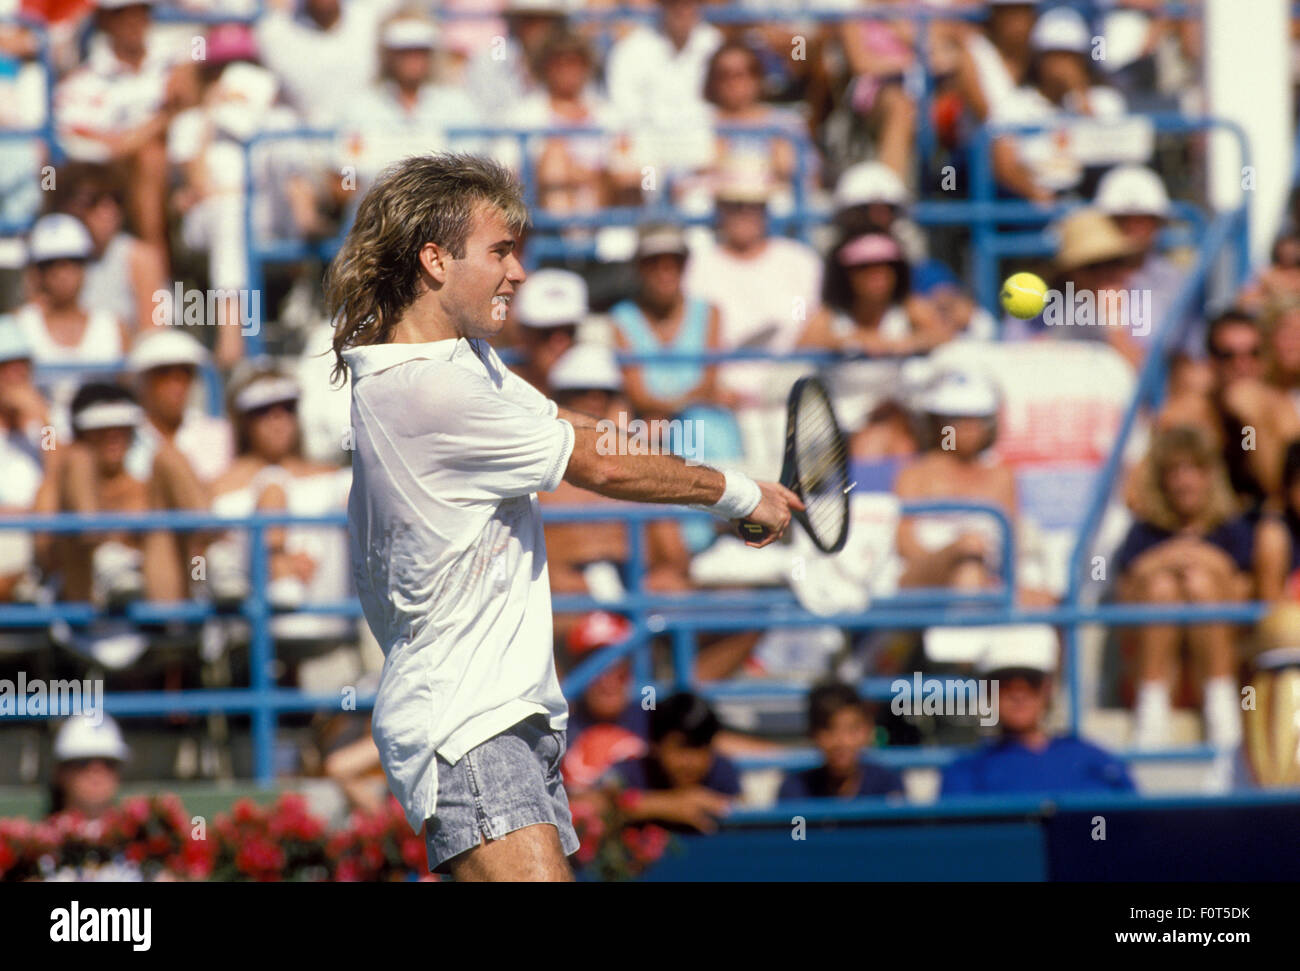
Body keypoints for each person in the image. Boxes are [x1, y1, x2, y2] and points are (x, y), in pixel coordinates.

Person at [324, 153, 799, 881]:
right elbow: (598, 461)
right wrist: (736, 492)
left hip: (501, 720)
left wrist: (731, 481)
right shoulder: (428, 390)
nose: (518, 271)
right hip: (468, 726)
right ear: (435, 261)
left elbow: (574, 425)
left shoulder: (465, 364)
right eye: (500, 251)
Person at [1115, 425, 1264, 750]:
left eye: (1194, 469)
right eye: (1175, 472)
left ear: (1210, 474)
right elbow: (1124, 598)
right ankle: (1152, 709)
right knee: (1161, 589)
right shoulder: (1145, 532)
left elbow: (1242, 596)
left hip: (1220, 654)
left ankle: (1220, 706)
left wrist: (1196, 562)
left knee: (1199, 583)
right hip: (1153, 659)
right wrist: (1171, 559)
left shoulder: (1233, 529)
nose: (1184, 482)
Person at [941, 639, 1136, 796]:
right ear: (988, 691)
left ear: (1047, 688)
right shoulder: (966, 774)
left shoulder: (1094, 762)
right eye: (1004, 683)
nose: (1019, 694)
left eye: (1031, 682)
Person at [894, 368, 1017, 592]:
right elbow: (906, 547)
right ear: (937, 423)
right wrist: (953, 555)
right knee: (968, 551)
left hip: (987, 582)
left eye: (977, 419)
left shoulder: (1001, 476)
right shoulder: (915, 474)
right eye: (956, 419)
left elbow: (1012, 550)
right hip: (922, 583)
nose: (968, 428)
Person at [15, 214, 128, 438]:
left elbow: (128, 391)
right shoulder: (19, 327)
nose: (62, 273)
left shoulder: (114, 327)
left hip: (102, 439)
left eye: (72, 262)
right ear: (37, 273)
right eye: (50, 265)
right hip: (39, 440)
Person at [601, 692, 741, 833]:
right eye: (681, 748)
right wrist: (667, 805)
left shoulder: (722, 773)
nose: (691, 762)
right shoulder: (633, 772)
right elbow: (595, 808)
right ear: (656, 746)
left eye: (699, 748)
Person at [777, 681, 903, 801]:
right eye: (829, 729)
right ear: (812, 733)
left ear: (867, 730)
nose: (841, 742)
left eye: (851, 729)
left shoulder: (888, 785)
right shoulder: (795, 790)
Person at [48, 713, 131, 818]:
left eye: (108, 763)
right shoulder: (37, 833)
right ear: (61, 773)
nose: (96, 771)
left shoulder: (144, 831)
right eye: (83, 762)